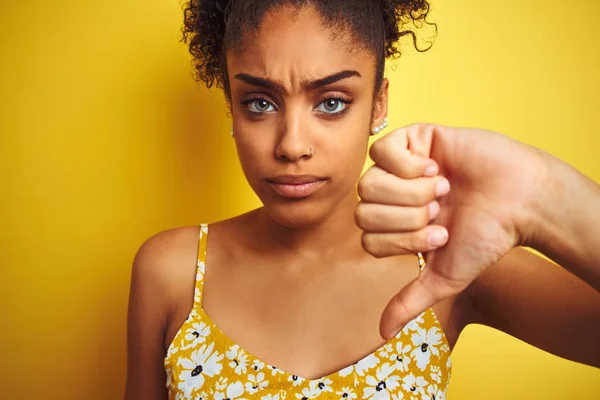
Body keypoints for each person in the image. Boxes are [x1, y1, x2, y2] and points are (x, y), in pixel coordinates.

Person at [125, 1, 600, 399]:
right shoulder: (173, 272)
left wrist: (542, 197)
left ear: (378, 104)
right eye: (260, 103)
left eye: (331, 102)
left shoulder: (445, 260)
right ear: (232, 104)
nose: (292, 144)